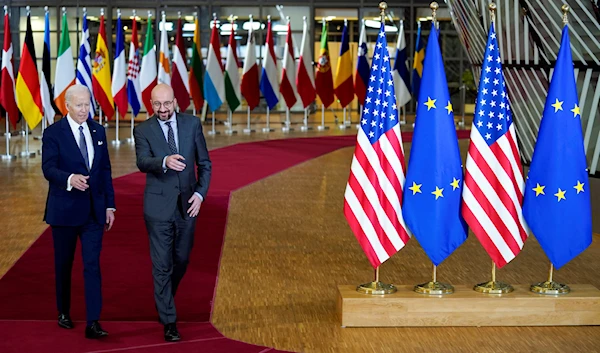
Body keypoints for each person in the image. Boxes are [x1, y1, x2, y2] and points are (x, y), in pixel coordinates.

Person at [134, 84, 211, 342]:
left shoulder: (192, 125)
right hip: (157, 209)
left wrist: (200, 195)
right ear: (151, 104)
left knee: (182, 259)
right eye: (158, 105)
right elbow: (142, 161)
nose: (163, 109)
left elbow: (205, 164)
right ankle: (169, 320)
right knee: (162, 266)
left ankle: (164, 298)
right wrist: (164, 162)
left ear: (176, 102)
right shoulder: (143, 130)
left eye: (167, 104)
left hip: (187, 206)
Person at [41, 84, 116, 339]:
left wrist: (109, 205)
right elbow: (48, 169)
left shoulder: (98, 130)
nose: (85, 110)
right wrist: (70, 178)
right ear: (67, 106)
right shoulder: (53, 133)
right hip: (64, 212)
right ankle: (63, 311)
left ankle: (93, 321)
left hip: (94, 213)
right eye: (79, 105)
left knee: (92, 265)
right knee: (64, 265)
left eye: (88, 104)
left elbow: (105, 170)